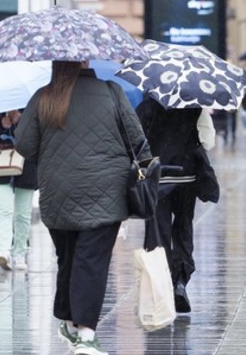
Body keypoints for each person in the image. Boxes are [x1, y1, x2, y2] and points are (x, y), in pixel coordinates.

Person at [15, 61, 150, 355]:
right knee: (91, 261)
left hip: (57, 190)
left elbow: (24, 145)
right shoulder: (112, 92)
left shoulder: (44, 96)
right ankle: (86, 336)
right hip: (106, 191)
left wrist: (53, 150)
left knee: (69, 257)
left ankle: (69, 320)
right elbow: (137, 139)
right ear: (86, 63)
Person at [135, 97, 219, 313]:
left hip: (158, 176)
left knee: (158, 231)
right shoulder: (194, 106)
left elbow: (135, 137)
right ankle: (180, 282)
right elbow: (208, 141)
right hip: (186, 176)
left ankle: (160, 286)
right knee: (183, 228)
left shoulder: (148, 105)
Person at [0, 109, 37, 271]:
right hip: (1, 164)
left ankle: (20, 253)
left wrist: (21, 120)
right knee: (4, 209)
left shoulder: (32, 103)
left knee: (22, 213)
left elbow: (41, 131)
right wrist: (2, 123)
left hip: (27, 164)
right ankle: (4, 251)